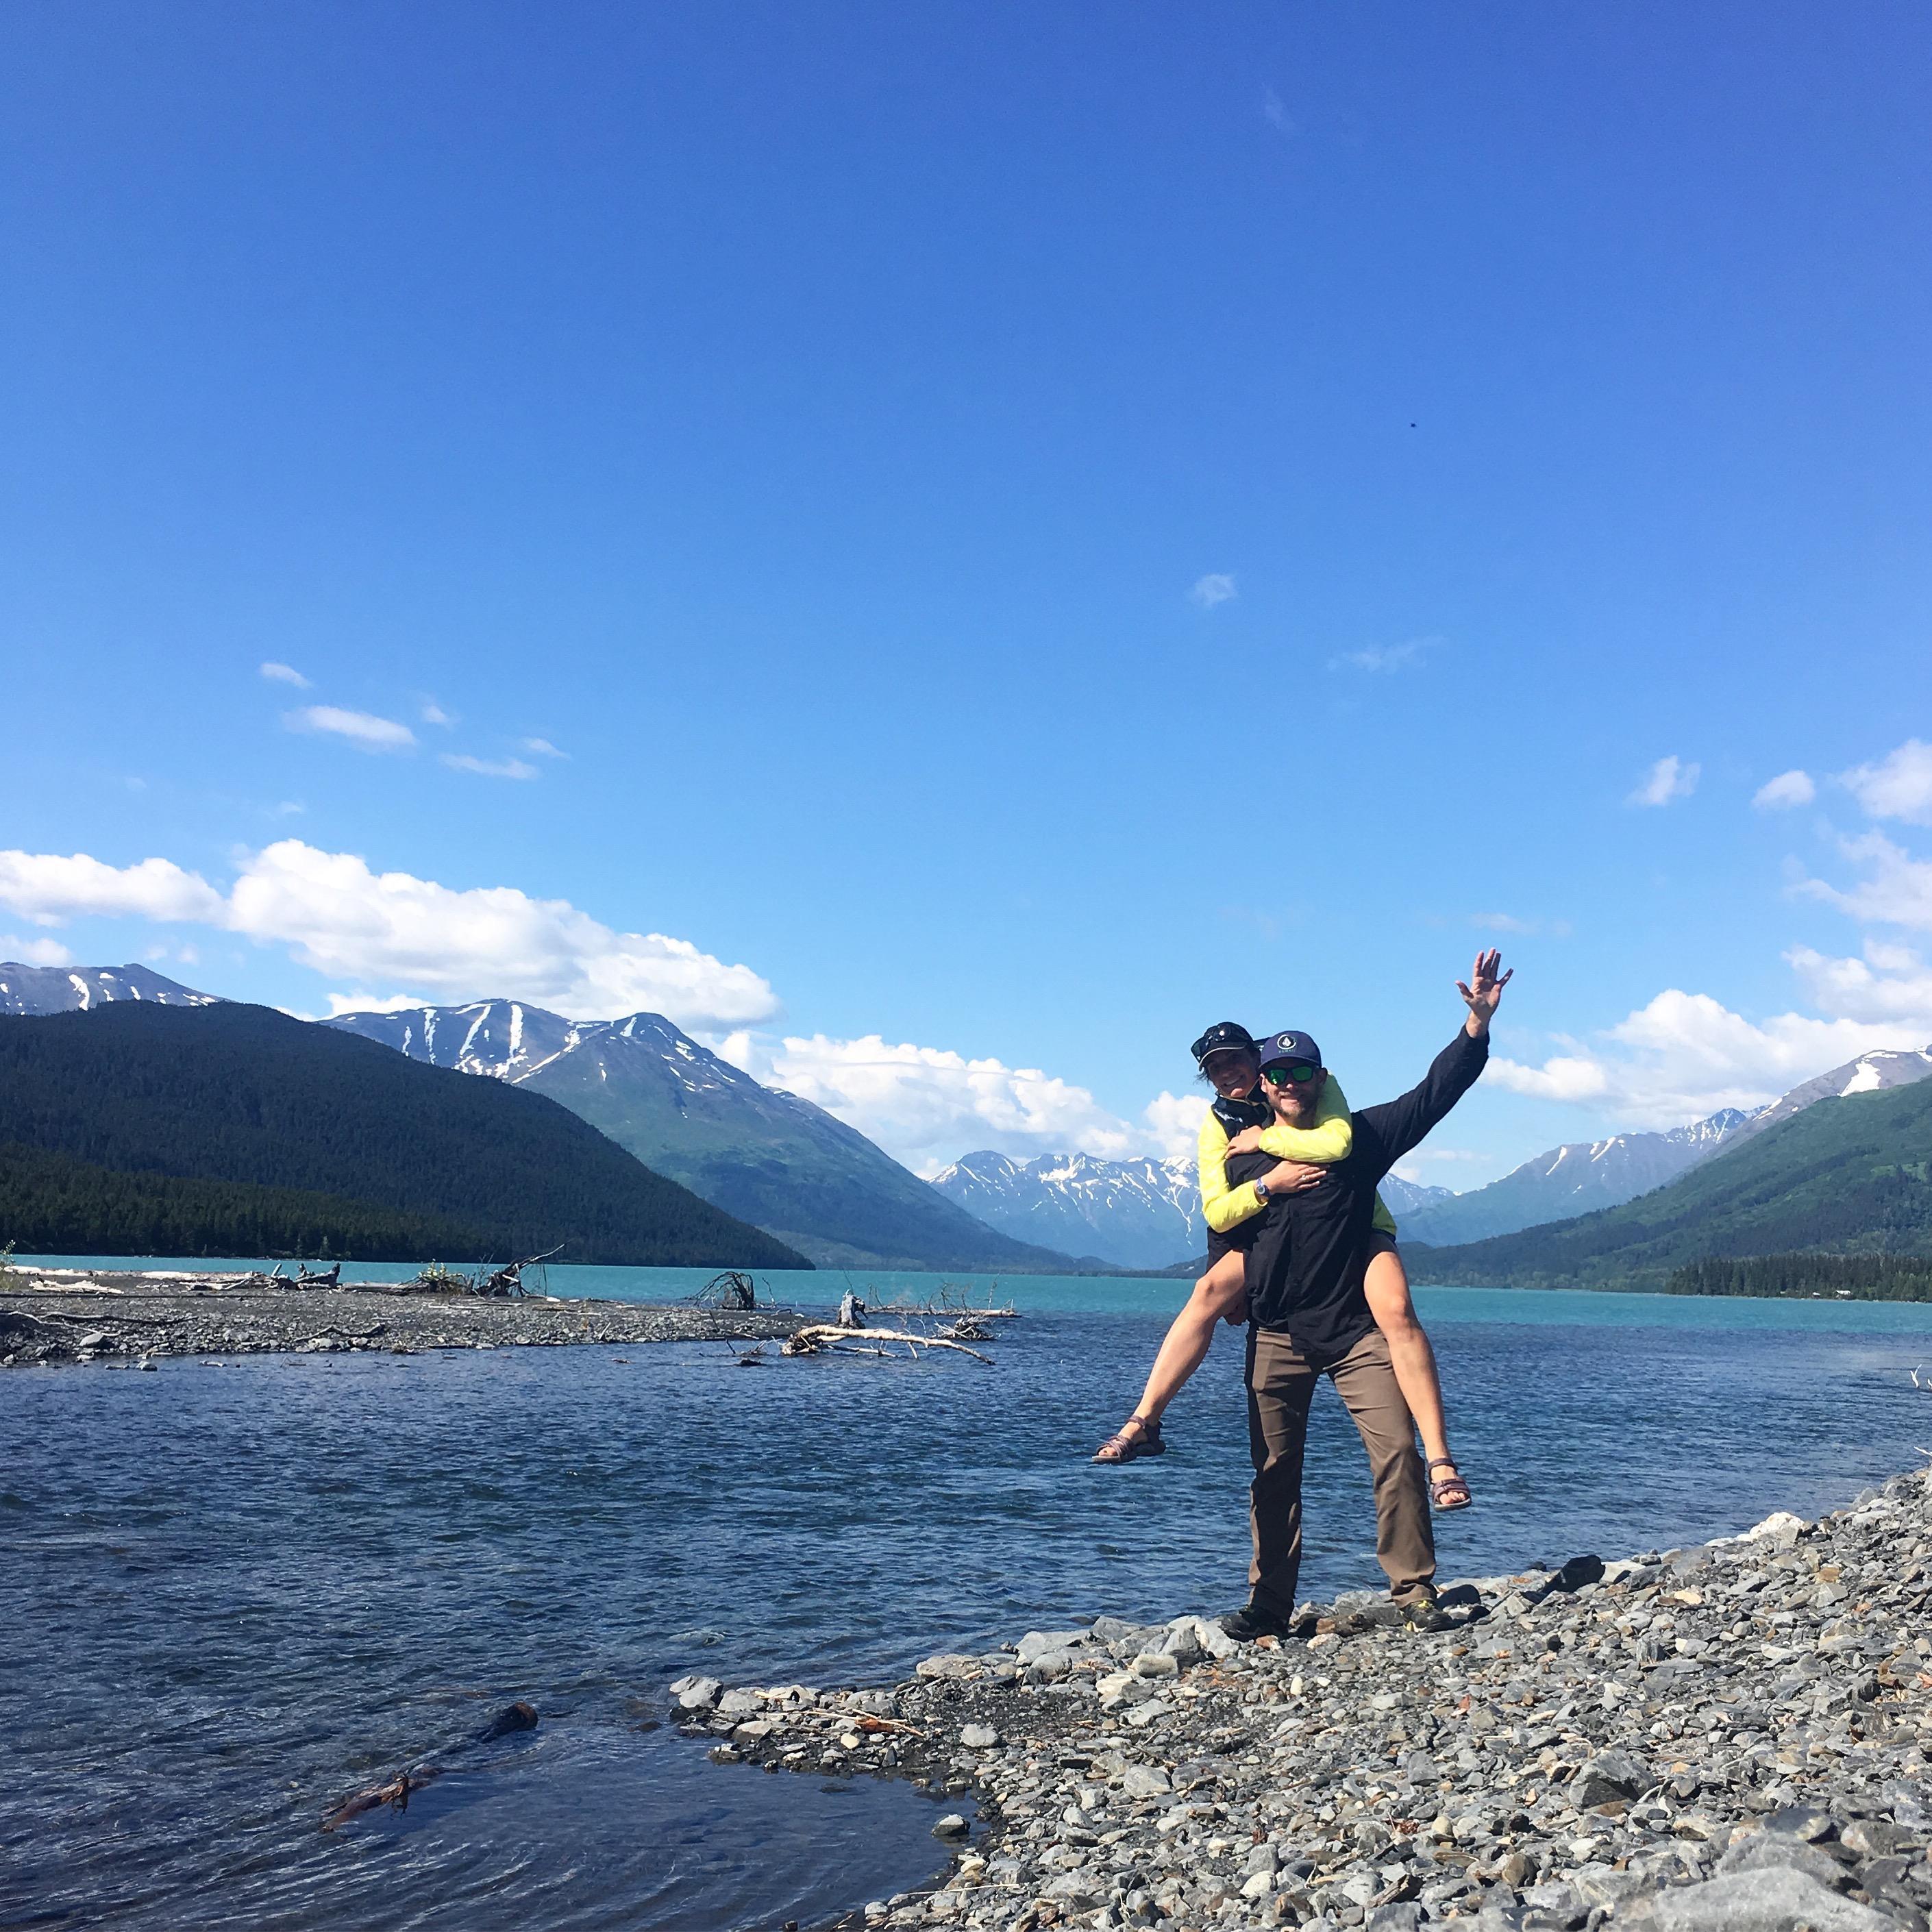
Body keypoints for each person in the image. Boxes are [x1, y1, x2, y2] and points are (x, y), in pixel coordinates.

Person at [1223, 950, 1511, 1642]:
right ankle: (1269, 1605)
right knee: (1272, 1472)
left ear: (1320, 1079)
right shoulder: (1244, 1152)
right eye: (1278, 1073)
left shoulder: (1362, 1140)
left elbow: (1434, 1093)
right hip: (1276, 1331)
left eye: (1302, 1071)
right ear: (1263, 1085)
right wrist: (1224, 1299)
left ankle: (1414, 1591)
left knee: (1397, 1453)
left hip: (1355, 1331)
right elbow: (1221, 1223)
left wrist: (1475, 1025)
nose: (1290, 1082)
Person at [1094, 1029, 1471, 1515]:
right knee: (1209, 1291)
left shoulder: (1306, 1083)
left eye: (1237, 1061)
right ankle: (1143, 1421)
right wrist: (1270, 1184)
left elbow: (1338, 1143)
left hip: (1355, 1226)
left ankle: (1439, 1459)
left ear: (1260, 1058)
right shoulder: (1218, 1124)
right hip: (1270, 1233)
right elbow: (1217, 1212)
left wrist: (1268, 1139)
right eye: (1215, 1068)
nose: (1228, 1073)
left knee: (1395, 1309)